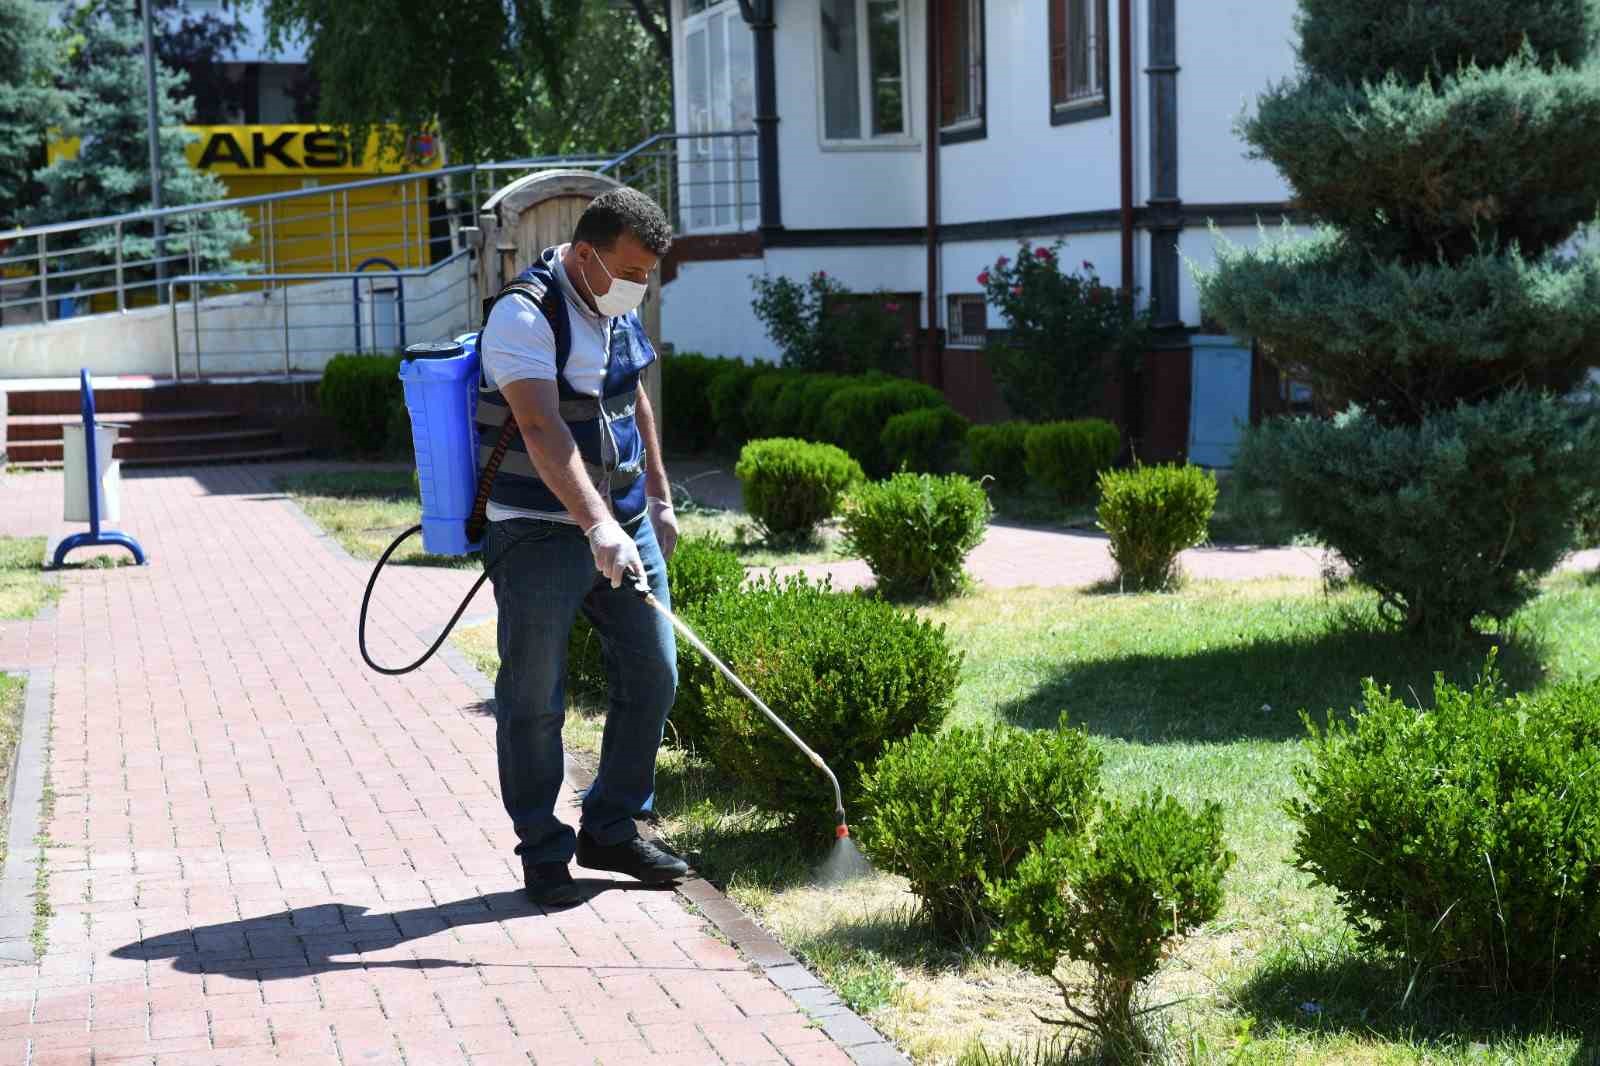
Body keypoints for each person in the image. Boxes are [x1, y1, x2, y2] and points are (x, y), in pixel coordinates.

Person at [475, 187, 687, 905]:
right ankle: (543, 849)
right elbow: (541, 429)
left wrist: (655, 499)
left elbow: (635, 397)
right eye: (631, 270)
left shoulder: (616, 310)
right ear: (587, 253)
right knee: (533, 695)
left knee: (655, 674)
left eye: (649, 274)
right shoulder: (523, 316)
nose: (640, 285)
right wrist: (596, 525)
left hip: (622, 525)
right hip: (537, 531)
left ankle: (612, 827)